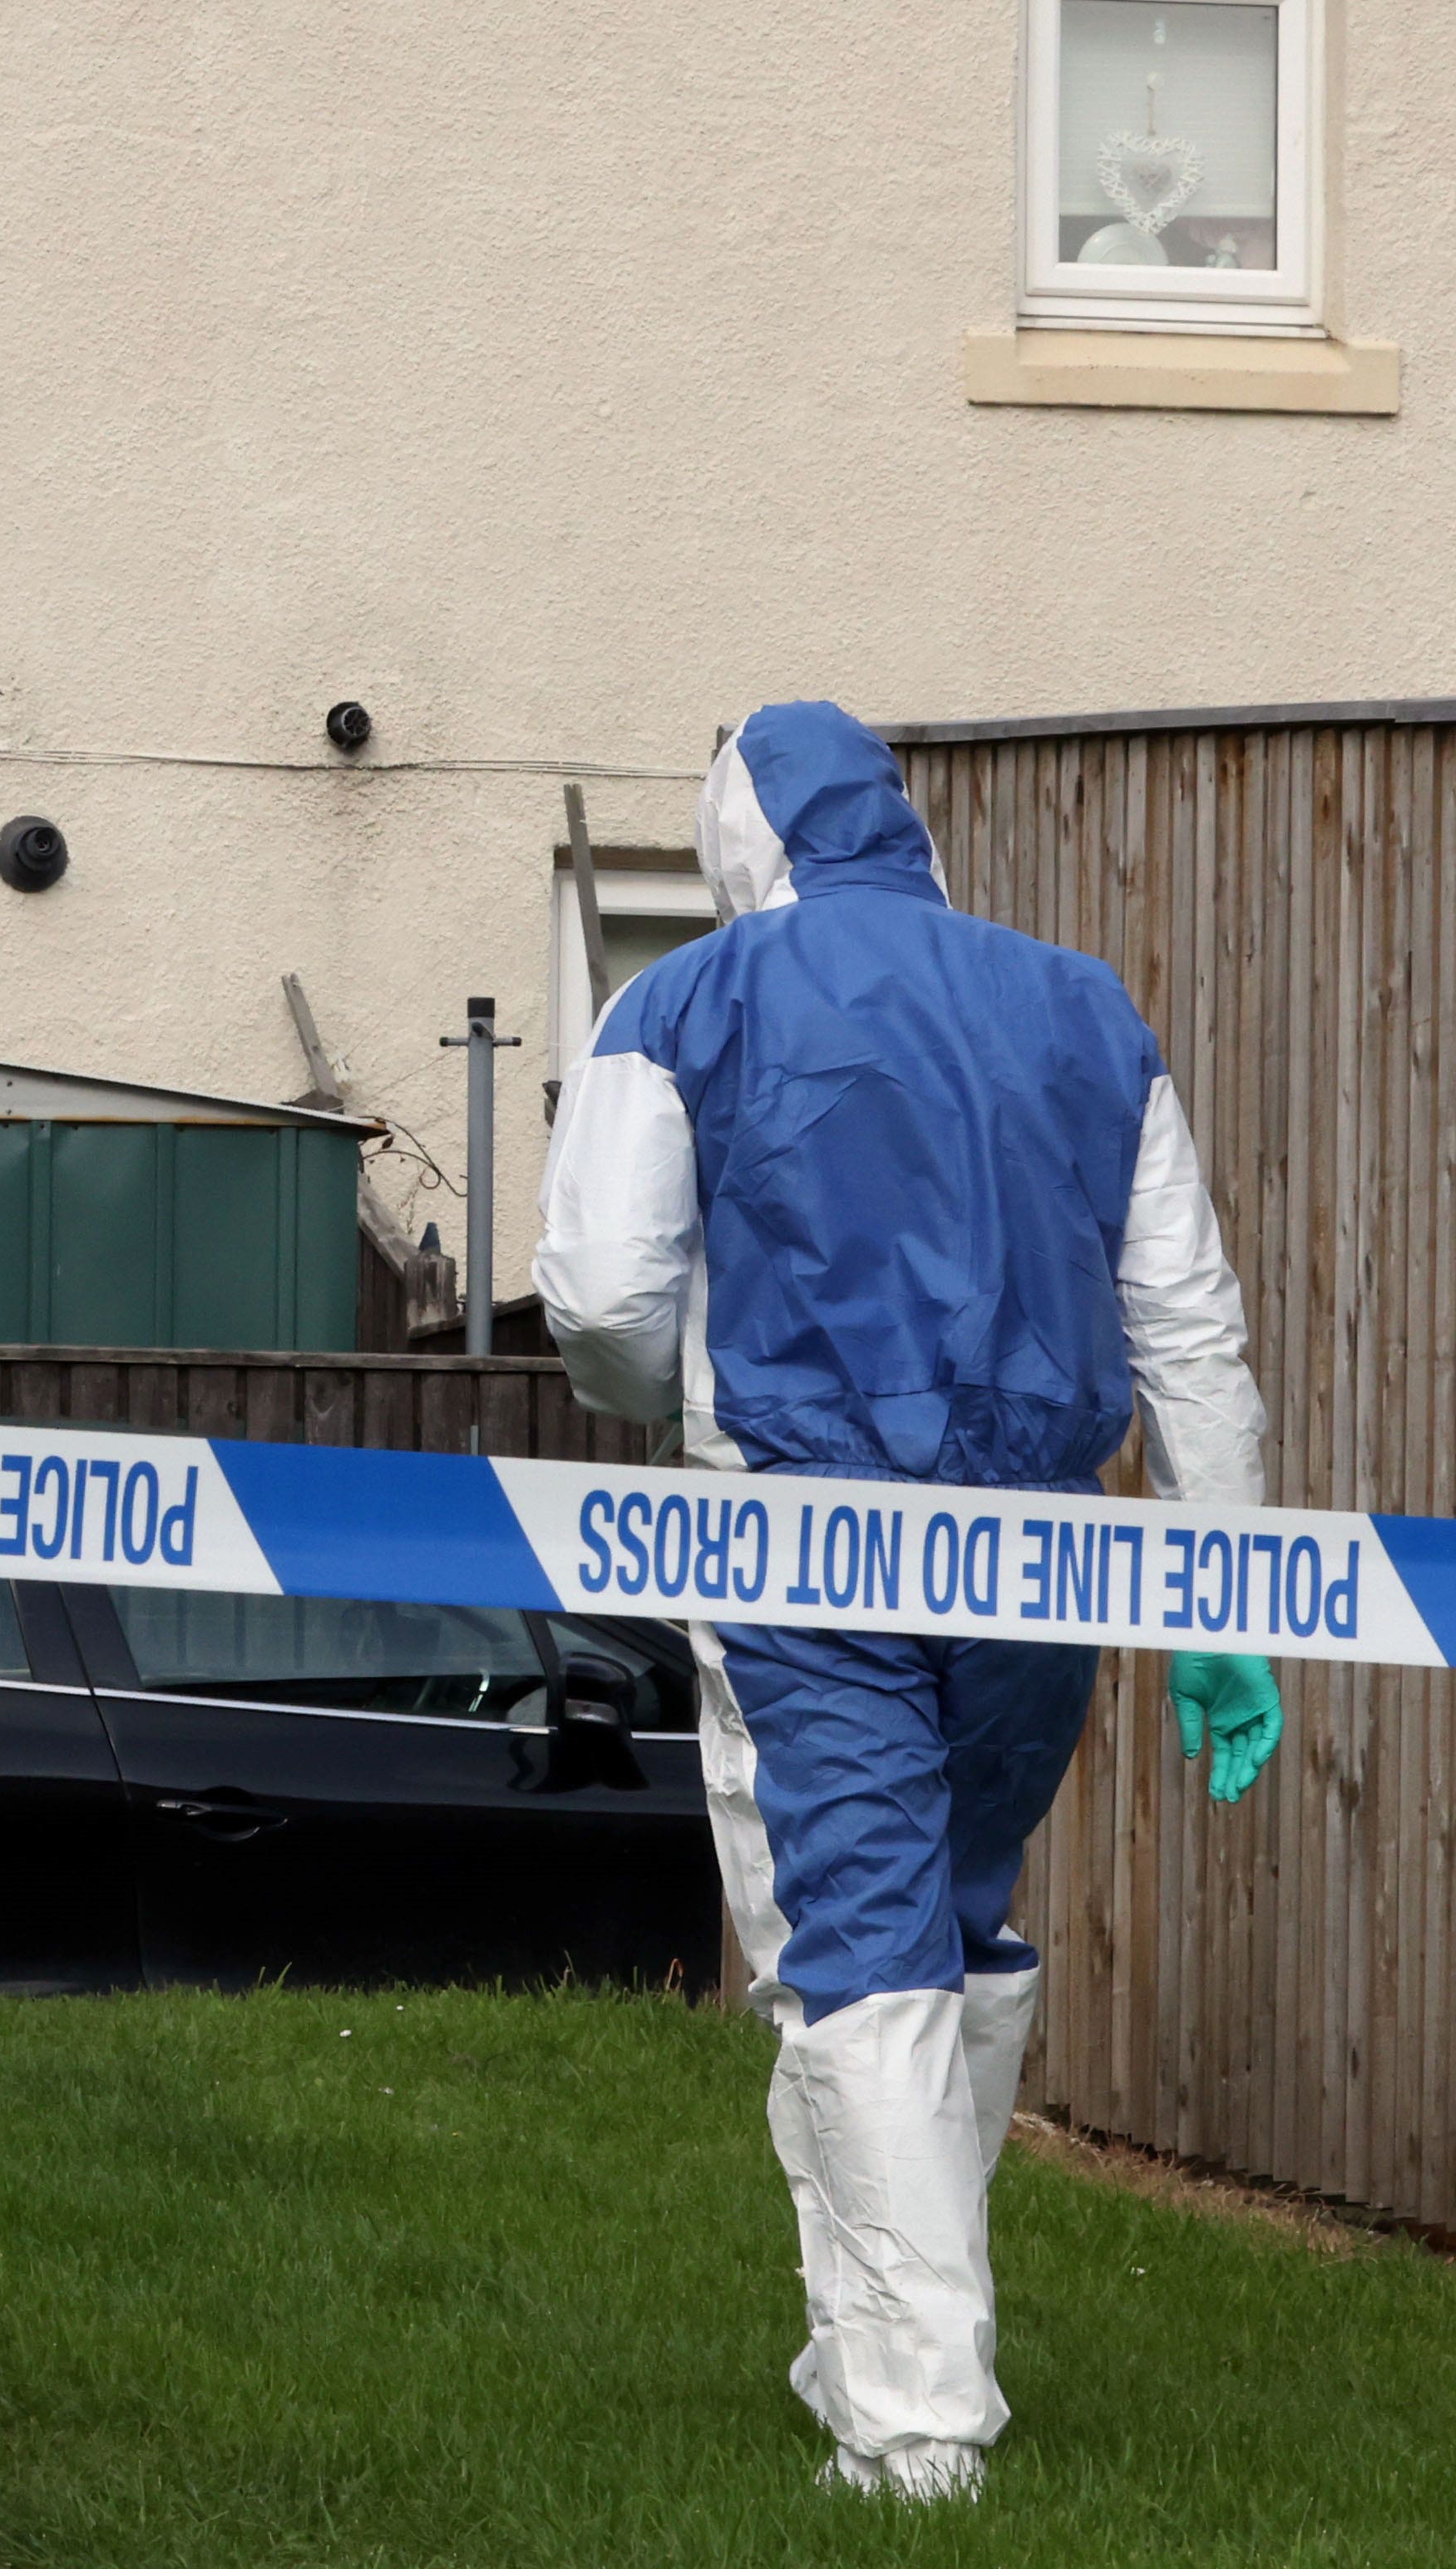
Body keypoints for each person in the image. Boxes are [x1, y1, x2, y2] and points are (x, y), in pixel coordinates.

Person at [537, 699, 1282, 2503]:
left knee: (849, 1940)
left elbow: (607, 1298)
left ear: (741, 842)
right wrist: (1228, 1581)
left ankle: (919, 2426)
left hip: (800, 1543)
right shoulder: (1084, 1006)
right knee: (954, 1925)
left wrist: (667, 1406)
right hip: (1049, 1558)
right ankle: (867, 2333)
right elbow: (1186, 1315)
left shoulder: (690, 1003)